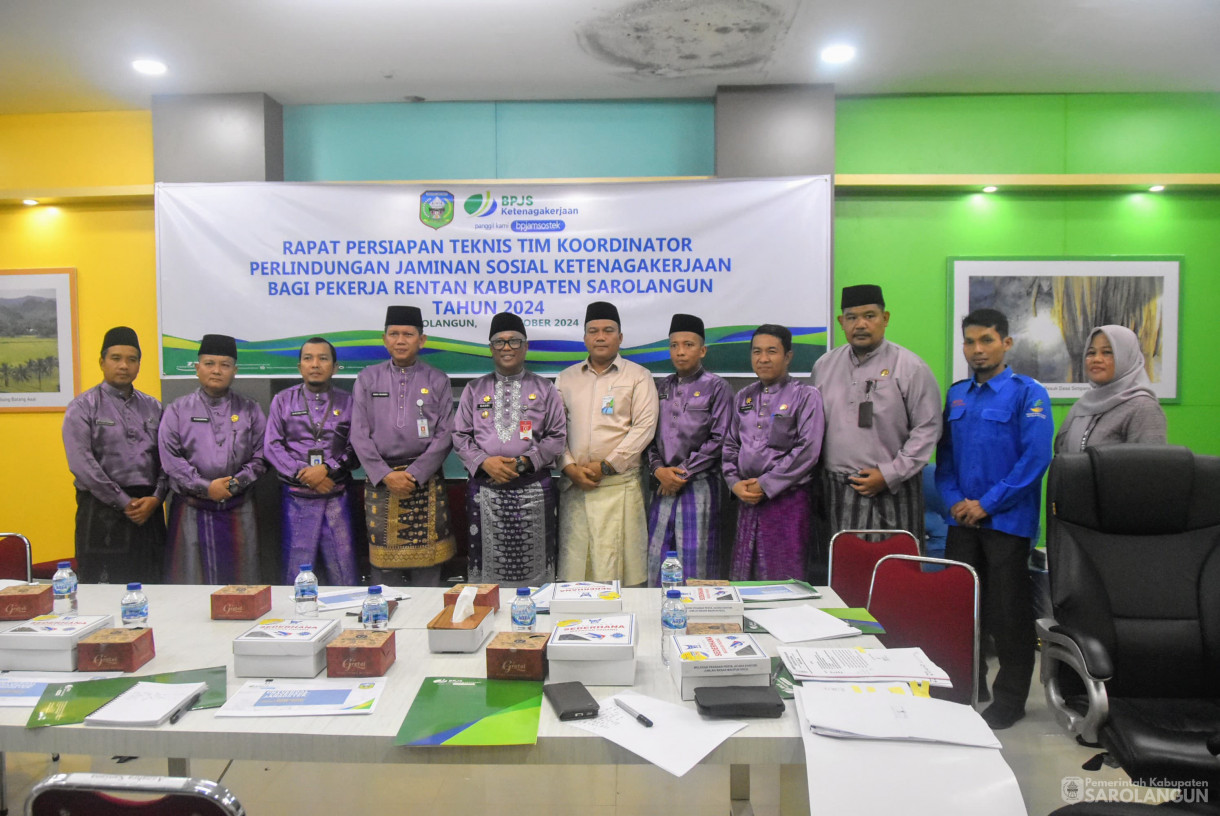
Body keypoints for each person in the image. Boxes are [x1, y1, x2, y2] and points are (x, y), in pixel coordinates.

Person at [936, 308, 1053, 730]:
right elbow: (944, 460)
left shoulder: (1028, 393)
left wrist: (987, 503)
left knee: (1008, 616)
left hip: (1006, 522)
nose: (977, 349)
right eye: (970, 342)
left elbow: (1036, 458)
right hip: (962, 523)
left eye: (986, 340)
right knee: (962, 610)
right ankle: (969, 688)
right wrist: (953, 501)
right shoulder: (957, 394)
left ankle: (1010, 698)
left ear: (1006, 343)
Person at [812, 285, 941, 580]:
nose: (860, 324)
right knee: (847, 576)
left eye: (869, 316)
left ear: (885, 318)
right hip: (838, 490)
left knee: (896, 576)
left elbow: (928, 428)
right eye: (852, 317)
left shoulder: (910, 367)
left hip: (893, 487)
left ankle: (899, 627)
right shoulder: (824, 367)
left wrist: (890, 474)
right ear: (840, 322)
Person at [453, 312, 566, 586]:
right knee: (487, 576)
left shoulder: (545, 389)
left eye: (515, 341)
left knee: (536, 570)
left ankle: (536, 619)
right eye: (499, 342)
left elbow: (557, 436)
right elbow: (459, 434)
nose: (507, 348)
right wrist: (484, 461)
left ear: (526, 347)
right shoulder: (473, 389)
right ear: (490, 349)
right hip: (485, 491)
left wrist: (524, 463)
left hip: (533, 492)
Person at [555, 301, 659, 585]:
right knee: (577, 572)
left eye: (608, 330)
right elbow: (554, 430)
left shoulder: (638, 376)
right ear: (585, 338)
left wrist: (607, 465)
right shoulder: (565, 378)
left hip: (619, 486)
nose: (600, 336)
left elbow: (644, 428)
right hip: (576, 486)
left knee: (621, 576)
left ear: (620, 337)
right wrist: (567, 466)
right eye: (593, 331)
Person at [351, 305, 455, 586]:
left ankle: (427, 625)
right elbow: (358, 433)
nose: (400, 340)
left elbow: (447, 433)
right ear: (384, 339)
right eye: (393, 334)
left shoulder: (437, 379)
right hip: (381, 483)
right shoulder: (367, 378)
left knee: (429, 567)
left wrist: (416, 473)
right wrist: (385, 475)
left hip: (424, 482)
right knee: (384, 574)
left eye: (408, 334)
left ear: (421, 340)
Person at [61, 326, 167, 584]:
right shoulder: (83, 406)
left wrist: (157, 497)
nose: (124, 366)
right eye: (116, 358)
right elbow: (82, 463)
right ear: (102, 362)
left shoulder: (153, 406)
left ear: (139, 365)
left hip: (149, 511)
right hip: (102, 510)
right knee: (103, 590)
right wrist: (123, 501)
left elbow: (168, 457)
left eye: (132, 360)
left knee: (154, 585)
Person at [159, 334, 267, 584]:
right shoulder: (177, 409)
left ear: (235, 370)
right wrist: (206, 487)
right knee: (188, 585)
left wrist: (232, 485)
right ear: (197, 369)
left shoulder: (250, 409)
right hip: (191, 507)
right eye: (209, 364)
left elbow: (262, 456)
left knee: (242, 584)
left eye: (225, 365)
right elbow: (170, 458)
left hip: (238, 506)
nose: (216, 371)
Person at [723, 324, 824, 580]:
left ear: (788, 356)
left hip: (787, 503)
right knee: (745, 576)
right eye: (756, 352)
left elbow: (807, 450)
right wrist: (735, 484)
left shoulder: (806, 396)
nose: (763, 358)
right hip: (747, 500)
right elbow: (730, 445)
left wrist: (766, 484)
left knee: (784, 578)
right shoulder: (743, 397)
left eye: (772, 351)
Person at [644, 313, 732, 584]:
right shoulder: (660, 387)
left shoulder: (718, 387)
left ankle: (699, 622)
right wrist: (659, 471)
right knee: (657, 559)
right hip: (663, 486)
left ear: (702, 350)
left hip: (700, 487)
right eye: (674, 345)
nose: (680, 352)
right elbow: (646, 435)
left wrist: (680, 473)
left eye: (688, 345)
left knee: (697, 561)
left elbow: (719, 439)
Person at [264, 337, 359, 585]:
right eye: (308, 358)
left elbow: (357, 447)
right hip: (296, 499)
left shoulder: (349, 401)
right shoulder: (282, 400)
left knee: (344, 571)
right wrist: (306, 475)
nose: (315, 364)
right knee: (295, 573)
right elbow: (272, 446)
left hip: (336, 495)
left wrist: (327, 470)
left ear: (335, 367)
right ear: (299, 366)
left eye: (323, 358)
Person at [1054, 324, 1167, 453]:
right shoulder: (1083, 406)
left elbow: (1150, 466)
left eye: (1107, 352)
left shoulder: (1143, 408)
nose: (1096, 359)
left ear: (1127, 356)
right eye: (1091, 353)